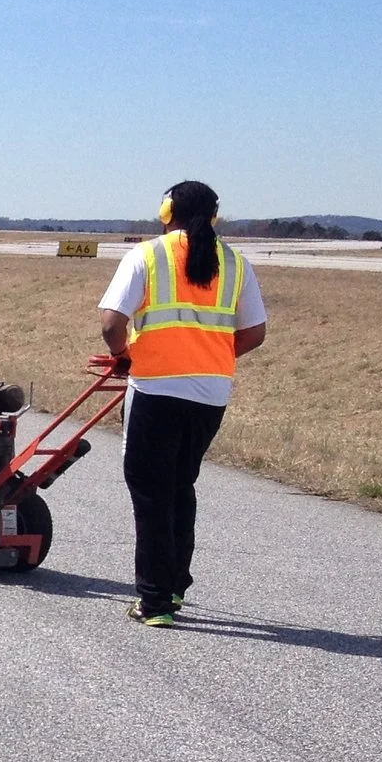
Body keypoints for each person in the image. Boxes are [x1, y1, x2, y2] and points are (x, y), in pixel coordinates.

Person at [98, 181, 269, 624]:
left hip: (155, 390)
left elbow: (111, 322)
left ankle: (153, 602)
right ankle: (174, 589)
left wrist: (124, 356)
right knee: (179, 488)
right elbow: (254, 333)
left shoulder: (147, 255)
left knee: (151, 495)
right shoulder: (235, 262)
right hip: (211, 395)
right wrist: (207, 356)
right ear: (214, 216)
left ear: (166, 209)